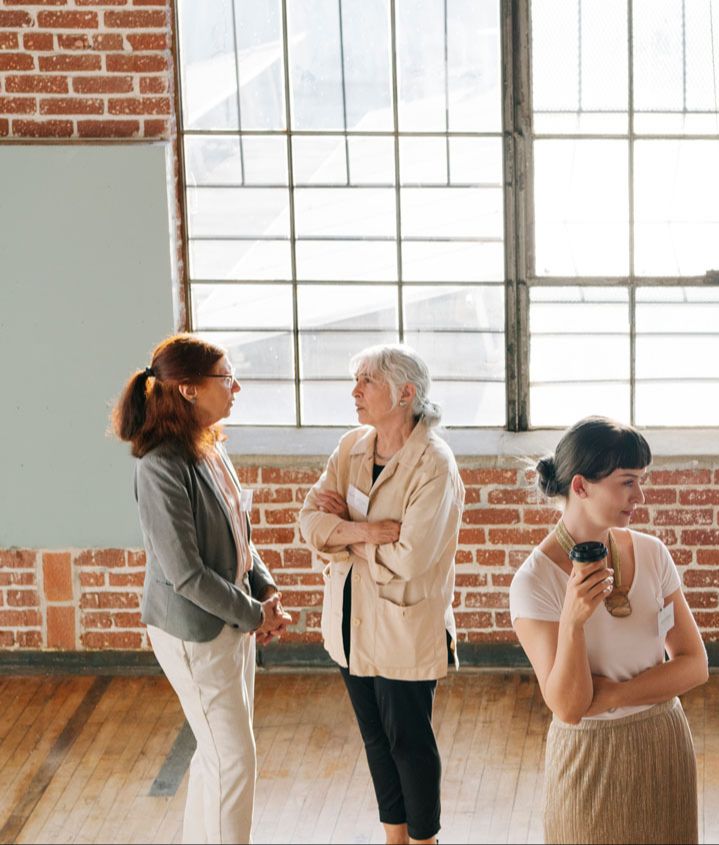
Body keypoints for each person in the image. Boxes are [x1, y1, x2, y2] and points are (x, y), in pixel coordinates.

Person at [112, 333, 291, 843]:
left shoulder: (208, 446)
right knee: (233, 759)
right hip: (196, 631)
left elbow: (238, 533)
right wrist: (256, 615)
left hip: (232, 618)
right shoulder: (160, 466)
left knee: (219, 755)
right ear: (189, 389)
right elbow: (186, 574)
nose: (236, 385)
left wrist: (266, 589)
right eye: (226, 377)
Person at [511, 416, 709, 844]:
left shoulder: (653, 554)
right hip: (588, 759)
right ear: (580, 487)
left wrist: (614, 695)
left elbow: (694, 666)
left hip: (663, 744)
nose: (640, 495)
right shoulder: (534, 581)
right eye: (627, 482)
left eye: (641, 481)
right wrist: (572, 621)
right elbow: (568, 707)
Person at [298, 344, 463, 845]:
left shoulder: (434, 465)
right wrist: (367, 533)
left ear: (405, 392)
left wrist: (343, 533)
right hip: (349, 621)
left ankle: (424, 840)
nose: (355, 391)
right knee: (375, 740)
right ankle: (395, 837)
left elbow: (411, 558)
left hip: (402, 625)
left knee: (409, 741)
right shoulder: (351, 447)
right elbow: (310, 522)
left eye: (367, 381)